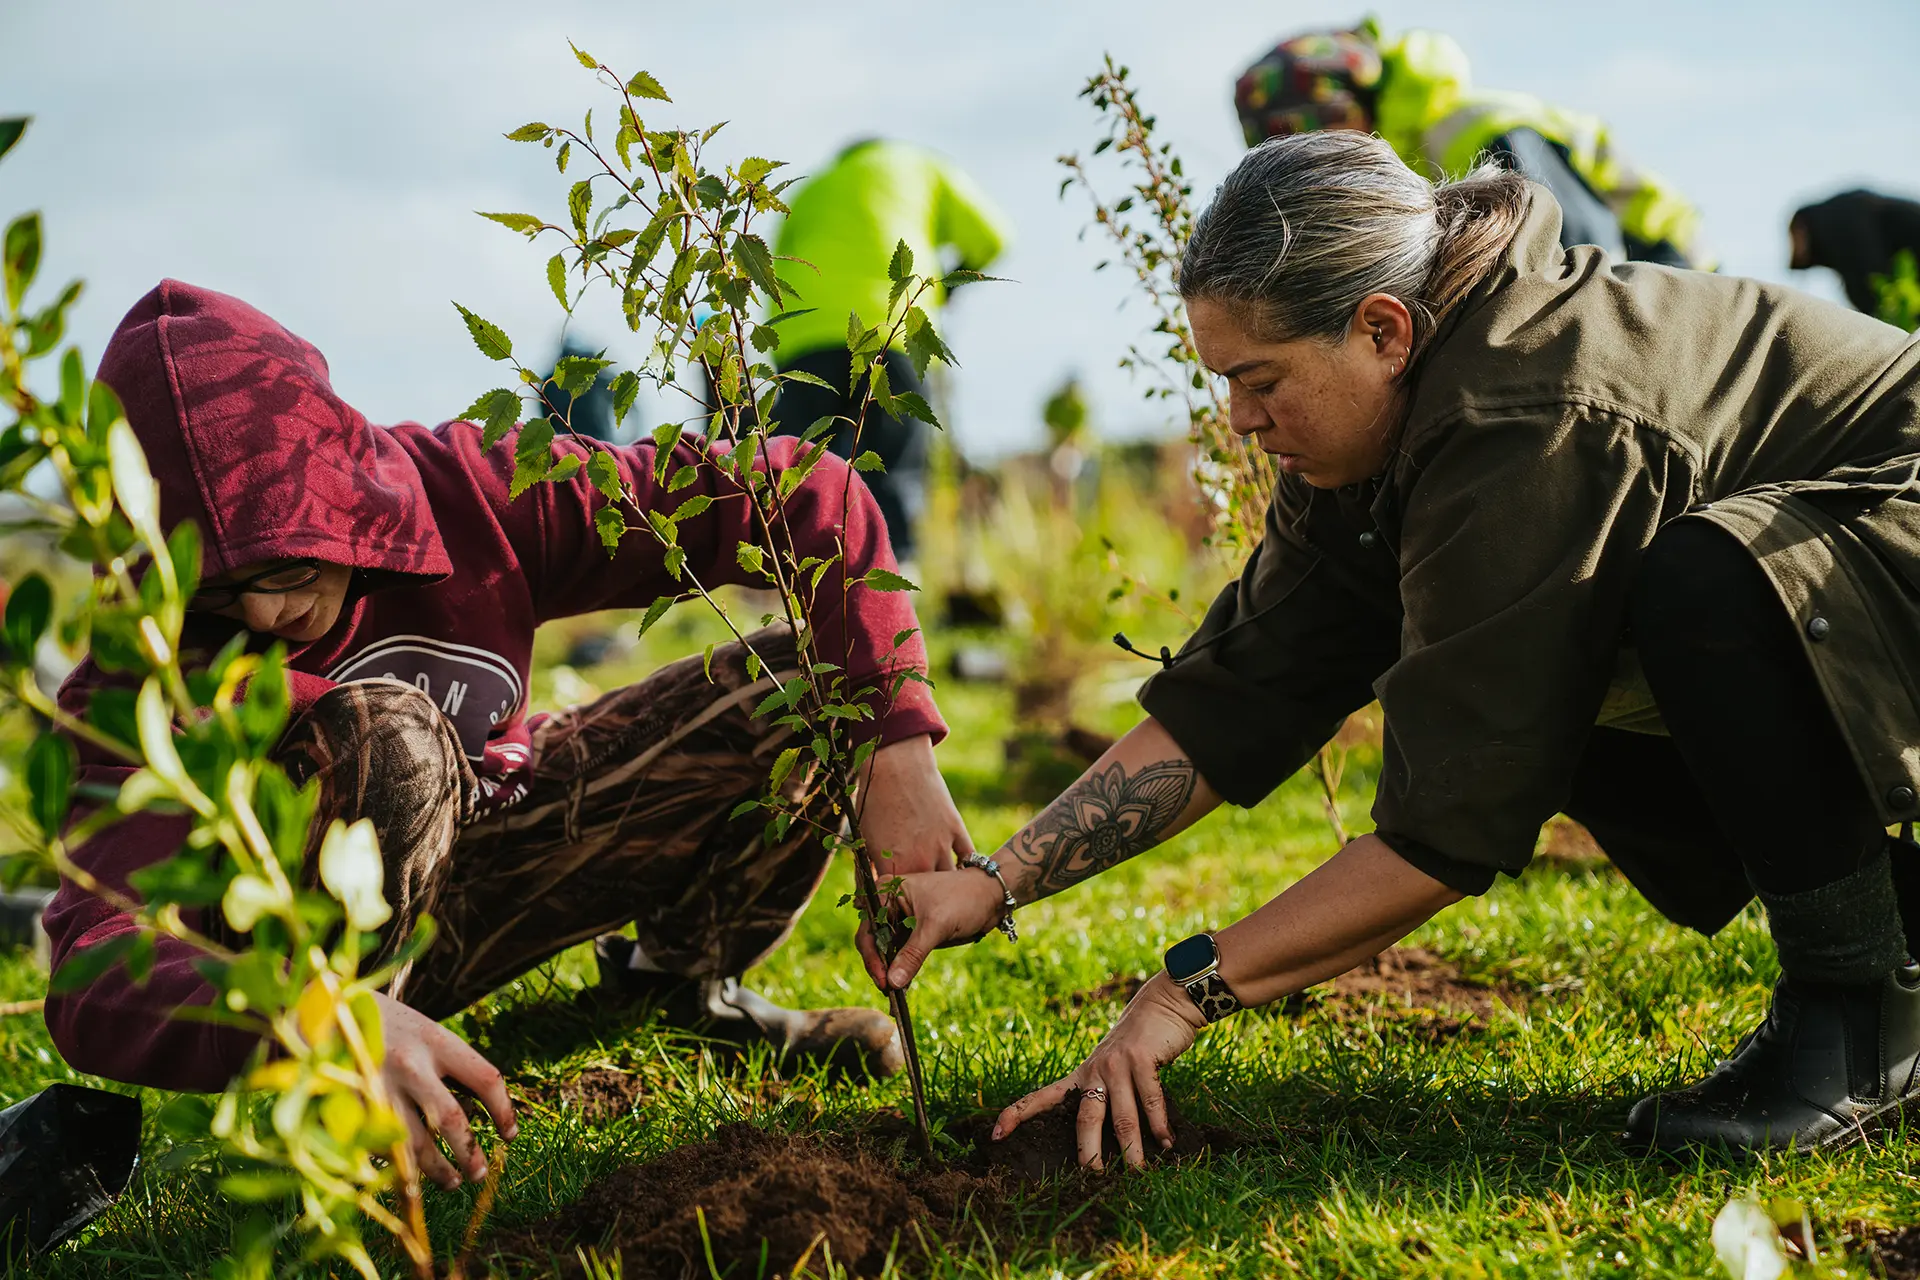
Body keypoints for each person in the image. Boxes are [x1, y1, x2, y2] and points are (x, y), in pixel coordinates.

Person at [882, 131, 1920, 1165]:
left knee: (1692, 589)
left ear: (1382, 328)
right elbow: (1239, 691)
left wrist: (1179, 992)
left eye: (1260, 380)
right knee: (1551, 658)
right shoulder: (1387, 416)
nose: (1239, 420)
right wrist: (996, 878)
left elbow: (1444, 829)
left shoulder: (1526, 405)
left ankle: (1859, 1015)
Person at [40, 280, 975, 1190]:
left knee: (796, 686)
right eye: (218, 587)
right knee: (389, 739)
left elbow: (800, 492)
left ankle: (678, 990)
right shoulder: (139, 676)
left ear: (335, 482)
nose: (267, 606)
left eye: (290, 558)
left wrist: (895, 744)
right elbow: (92, 960)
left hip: (504, 849)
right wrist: (310, 1017)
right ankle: (360, 1104)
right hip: (329, 979)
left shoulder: (468, 490)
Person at [1234, 20, 1709, 268]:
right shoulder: (1411, 160)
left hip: (1667, 272)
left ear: (1346, 113)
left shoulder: (1480, 133)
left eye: (1317, 146)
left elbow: (1585, 253)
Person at [770, 138, 1011, 561]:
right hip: (889, 327)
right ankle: (892, 593)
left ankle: (798, 591)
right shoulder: (921, 165)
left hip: (802, 339)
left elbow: (773, 270)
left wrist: (785, 359)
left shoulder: (809, 189)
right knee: (893, 469)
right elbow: (993, 237)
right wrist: (947, 288)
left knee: (803, 473)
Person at [1790, 189, 1920, 315]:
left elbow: (1867, 276)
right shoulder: (1844, 212)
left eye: (1792, 236)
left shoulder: (1839, 220)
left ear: (1800, 228)